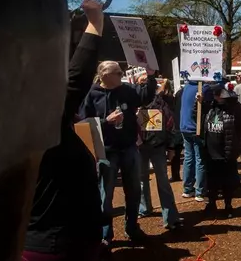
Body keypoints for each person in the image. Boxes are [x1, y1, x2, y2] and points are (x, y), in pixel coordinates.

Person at [23, 0, 105, 261]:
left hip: (37, 241)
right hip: (57, 246)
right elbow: (77, 76)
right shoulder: (37, 122)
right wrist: (95, 21)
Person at [79, 61, 157, 244]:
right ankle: (105, 235)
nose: (122, 75)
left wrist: (151, 77)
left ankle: (132, 228)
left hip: (128, 147)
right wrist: (106, 121)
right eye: (118, 73)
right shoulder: (92, 94)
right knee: (105, 196)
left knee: (134, 191)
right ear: (105, 76)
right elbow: (83, 122)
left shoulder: (127, 90)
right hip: (106, 151)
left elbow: (145, 97)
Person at [198, 82, 241, 218]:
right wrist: (198, 103)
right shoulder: (209, 105)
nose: (216, 96)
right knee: (212, 181)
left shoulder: (235, 107)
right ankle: (212, 203)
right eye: (214, 94)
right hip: (210, 152)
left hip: (227, 152)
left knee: (228, 182)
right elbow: (195, 117)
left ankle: (228, 205)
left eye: (218, 93)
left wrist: (238, 146)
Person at [137, 79, 182, 230]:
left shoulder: (160, 104)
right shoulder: (133, 104)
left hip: (158, 147)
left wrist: (171, 148)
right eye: (141, 85)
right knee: (141, 179)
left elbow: (171, 125)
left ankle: (169, 216)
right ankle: (144, 208)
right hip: (140, 148)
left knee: (163, 181)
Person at [179, 80, 212, 202]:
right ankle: (200, 191)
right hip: (195, 128)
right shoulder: (204, 88)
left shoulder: (187, 86)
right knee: (200, 159)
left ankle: (187, 189)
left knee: (189, 157)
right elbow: (209, 106)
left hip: (185, 126)